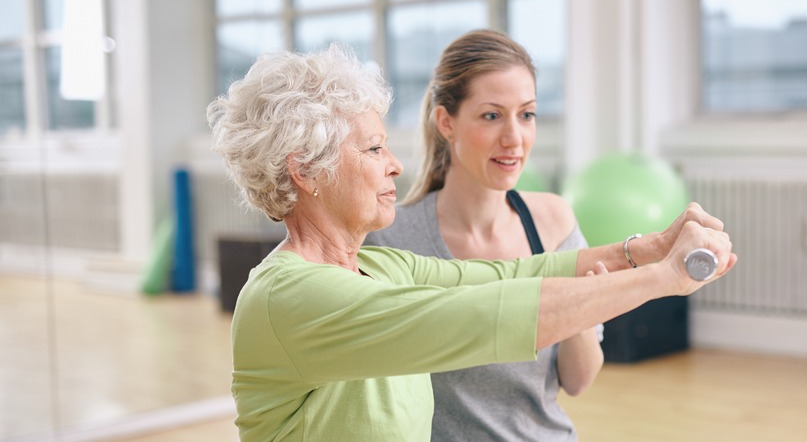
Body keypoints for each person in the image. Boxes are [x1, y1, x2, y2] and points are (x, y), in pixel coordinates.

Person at [207, 43, 737, 442]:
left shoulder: (380, 267)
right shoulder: (294, 299)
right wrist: (664, 278)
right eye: (372, 149)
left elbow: (510, 276)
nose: (394, 164)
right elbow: (486, 317)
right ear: (306, 171)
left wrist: (642, 251)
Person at [364, 29, 601, 441]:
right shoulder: (391, 238)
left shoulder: (552, 222)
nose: (514, 138)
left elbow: (578, 381)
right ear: (446, 122)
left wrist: (578, 302)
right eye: (492, 115)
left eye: (526, 114)